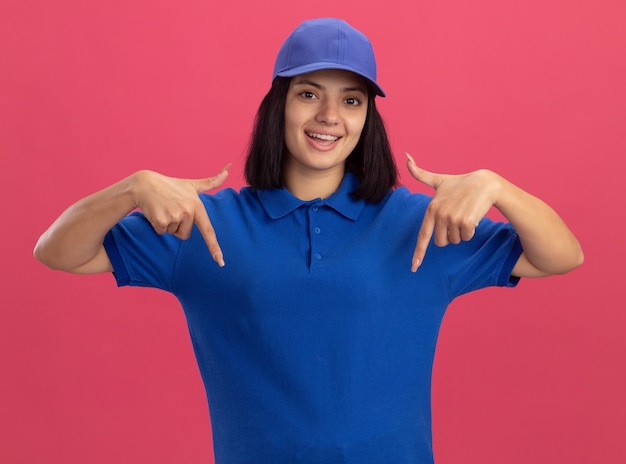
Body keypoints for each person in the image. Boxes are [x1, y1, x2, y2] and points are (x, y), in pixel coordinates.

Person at [34, 18, 583, 464]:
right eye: (309, 93)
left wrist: (496, 186)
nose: (328, 117)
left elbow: (561, 256)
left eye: (352, 101)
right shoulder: (204, 226)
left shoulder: (420, 223)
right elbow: (57, 251)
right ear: (279, 106)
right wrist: (131, 189)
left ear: (369, 118)